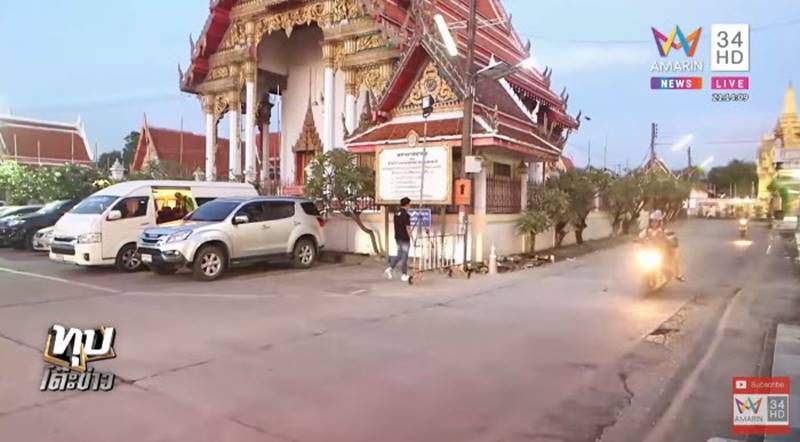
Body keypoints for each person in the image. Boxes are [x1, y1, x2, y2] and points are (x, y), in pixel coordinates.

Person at [639, 210, 685, 282]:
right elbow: (640, 236)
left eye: (656, 221)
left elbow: (672, 238)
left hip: (662, 251)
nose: (654, 223)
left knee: (676, 254)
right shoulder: (646, 231)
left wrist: (667, 239)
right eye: (652, 221)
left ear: (660, 222)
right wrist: (640, 240)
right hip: (650, 251)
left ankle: (678, 274)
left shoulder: (664, 231)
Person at [385, 197, 413, 282]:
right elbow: (408, 228)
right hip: (404, 238)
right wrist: (411, 237)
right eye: (409, 204)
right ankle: (404, 274)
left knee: (400, 255)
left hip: (398, 237)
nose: (410, 206)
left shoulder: (396, 214)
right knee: (404, 257)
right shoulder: (406, 215)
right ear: (407, 204)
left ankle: (390, 268)